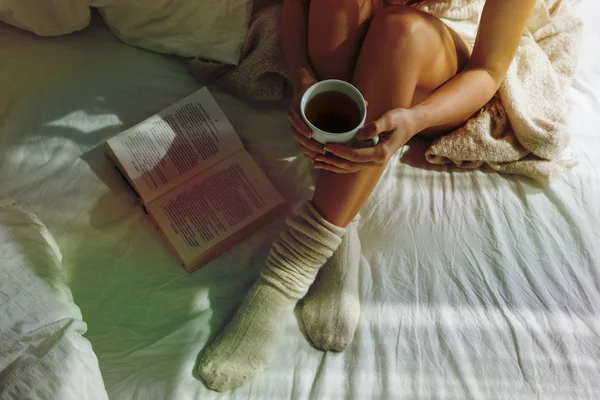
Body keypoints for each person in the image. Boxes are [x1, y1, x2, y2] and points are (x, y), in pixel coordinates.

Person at [198, 0, 536, 391]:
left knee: (400, 30)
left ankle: (287, 272)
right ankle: (340, 221)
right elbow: (297, 6)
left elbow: (489, 69)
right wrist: (303, 79)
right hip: (351, 45)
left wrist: (417, 120)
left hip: (436, 63)